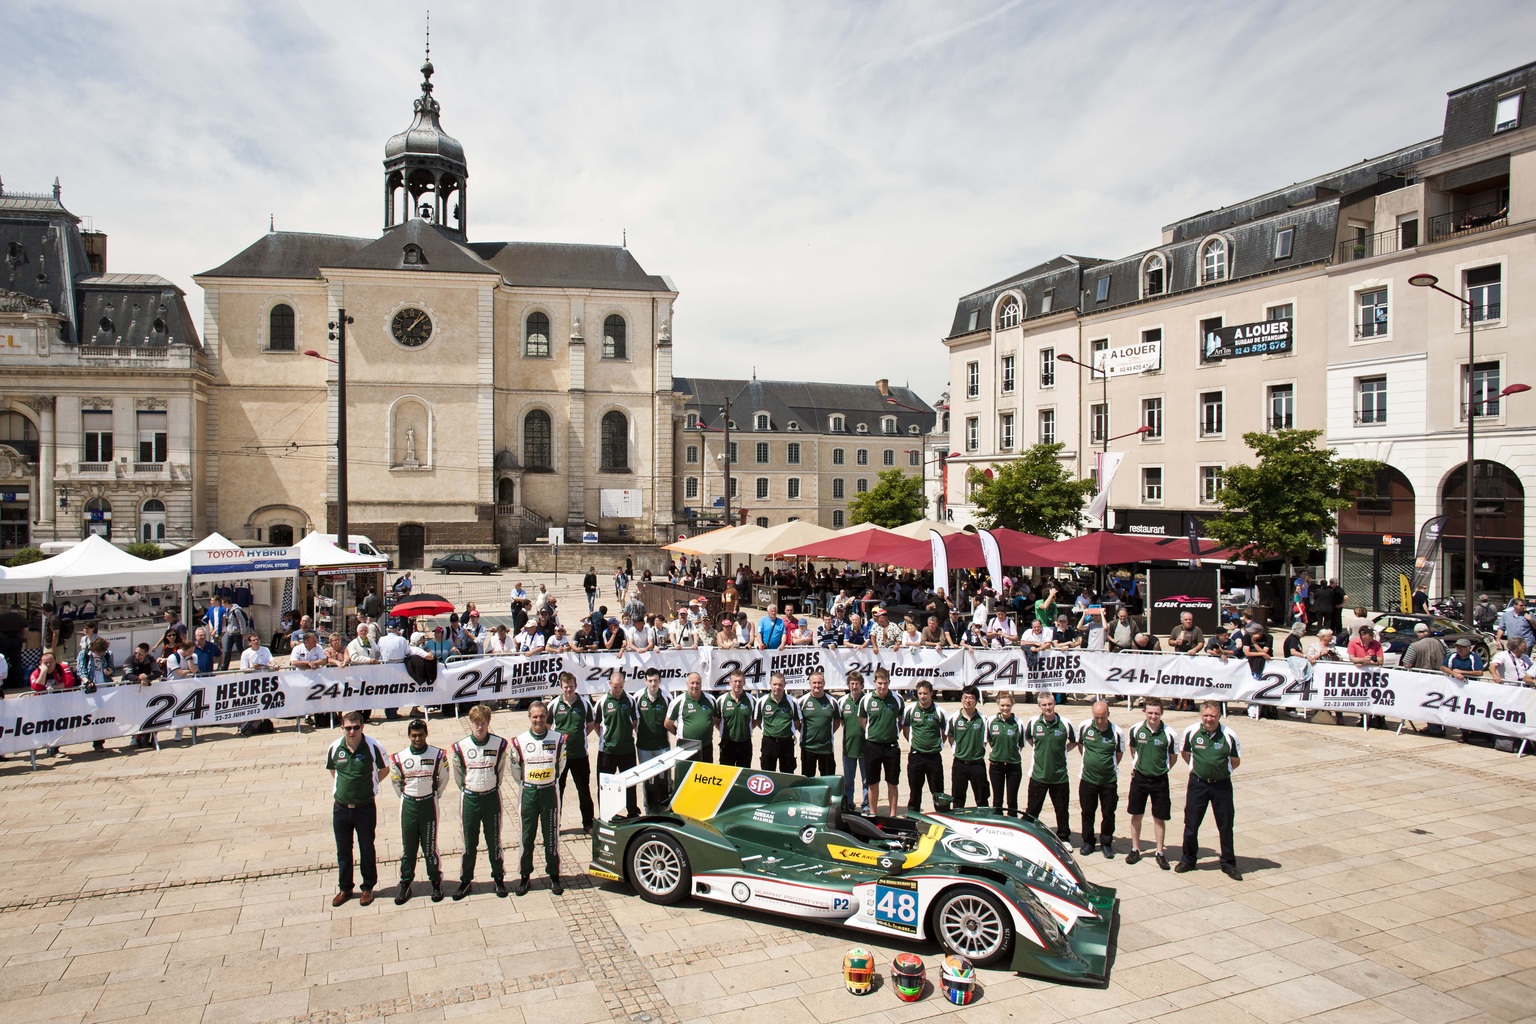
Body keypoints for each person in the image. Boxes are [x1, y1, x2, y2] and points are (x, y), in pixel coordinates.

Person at [325, 711, 389, 906]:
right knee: (343, 850)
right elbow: (333, 770)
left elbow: (384, 768)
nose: (352, 731)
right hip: (341, 809)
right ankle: (345, 888)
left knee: (367, 848)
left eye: (356, 727)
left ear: (363, 727)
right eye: (348, 728)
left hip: (365, 808)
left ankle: (368, 888)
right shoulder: (335, 747)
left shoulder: (373, 746)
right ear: (342, 728)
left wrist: (372, 786)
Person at [1175, 701, 1242, 880]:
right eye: (1206, 715)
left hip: (1221, 785)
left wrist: (1220, 771)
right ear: (1200, 716)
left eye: (1212, 716)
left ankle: (1228, 863)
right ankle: (1188, 859)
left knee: (1226, 825)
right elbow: (1185, 754)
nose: (1209, 719)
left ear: (1219, 716)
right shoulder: (1191, 732)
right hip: (1198, 784)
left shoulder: (1229, 735)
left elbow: (1235, 760)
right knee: (1191, 824)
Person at [452, 704, 509, 899]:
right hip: (470, 798)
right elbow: (459, 775)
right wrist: (469, 788)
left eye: (483, 723)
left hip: (491, 797)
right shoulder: (461, 747)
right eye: (476, 724)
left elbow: (500, 770)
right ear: (471, 724)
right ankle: (466, 879)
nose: (479, 728)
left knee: (494, 840)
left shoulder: (499, 744)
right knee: (469, 841)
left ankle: (498, 878)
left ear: (488, 723)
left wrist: (491, 786)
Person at [510, 699, 567, 895]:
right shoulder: (520, 741)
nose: (539, 720)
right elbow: (515, 767)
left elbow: (561, 763)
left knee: (551, 836)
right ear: (529, 718)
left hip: (549, 791)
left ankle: (554, 876)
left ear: (547, 717)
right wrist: (526, 783)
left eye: (542, 716)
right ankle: (525, 877)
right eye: (535, 717)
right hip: (529, 793)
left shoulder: (558, 739)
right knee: (527, 836)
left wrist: (549, 778)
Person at [389, 717, 448, 904]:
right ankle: (405, 883)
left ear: (426, 734)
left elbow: (443, 779)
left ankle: (436, 883)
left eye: (421, 735)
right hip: (409, 805)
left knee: (430, 848)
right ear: (408, 736)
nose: (417, 739)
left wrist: (433, 795)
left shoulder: (438, 755)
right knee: (409, 848)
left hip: (428, 805)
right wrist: (408, 797)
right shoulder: (399, 758)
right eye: (414, 736)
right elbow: (396, 782)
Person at [1126, 697, 1178, 869]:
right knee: (1136, 814)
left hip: (1159, 780)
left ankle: (1160, 852)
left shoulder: (1169, 733)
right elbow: (1133, 750)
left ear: (1161, 713)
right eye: (1150, 713)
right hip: (1140, 778)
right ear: (1144, 712)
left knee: (1159, 817)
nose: (1153, 716)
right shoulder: (1135, 730)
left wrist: (1162, 769)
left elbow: (1173, 757)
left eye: (1156, 713)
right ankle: (1135, 848)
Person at [1024, 694, 1076, 843]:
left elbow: (1074, 741)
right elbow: (1029, 738)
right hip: (1038, 775)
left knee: (1061, 810)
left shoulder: (1065, 723)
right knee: (1032, 809)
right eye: (1044, 705)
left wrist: (1062, 750)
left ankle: (1064, 838)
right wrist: (1040, 749)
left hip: (1059, 776)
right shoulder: (1034, 723)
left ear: (1054, 704)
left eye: (1050, 704)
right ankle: (1029, 835)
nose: (1048, 707)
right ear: (1039, 706)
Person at [1076, 701, 1125, 859]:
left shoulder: (1116, 732)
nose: (1099, 721)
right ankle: (1088, 841)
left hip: (1108, 781)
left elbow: (1119, 754)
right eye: (1096, 717)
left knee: (1108, 813)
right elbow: (1080, 746)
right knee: (1087, 812)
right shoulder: (1085, 727)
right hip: (1088, 779)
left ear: (1108, 714)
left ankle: (1106, 842)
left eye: (1102, 717)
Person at [549, 672, 597, 833]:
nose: (568, 689)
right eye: (565, 687)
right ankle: (555, 824)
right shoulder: (554, 705)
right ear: (561, 687)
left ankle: (588, 823)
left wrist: (578, 737)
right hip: (560, 757)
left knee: (584, 790)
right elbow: (548, 728)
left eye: (571, 686)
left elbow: (589, 725)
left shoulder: (584, 704)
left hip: (580, 756)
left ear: (576, 686)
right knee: (557, 791)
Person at [858, 668, 905, 816]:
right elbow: (862, 721)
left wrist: (892, 732)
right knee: (872, 782)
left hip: (891, 747)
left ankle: (893, 814)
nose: (882, 687)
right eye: (879, 683)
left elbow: (901, 720)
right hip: (872, 746)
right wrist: (873, 733)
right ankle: (873, 813)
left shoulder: (897, 699)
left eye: (885, 683)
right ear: (874, 682)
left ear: (889, 682)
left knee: (892, 782)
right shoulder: (866, 700)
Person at [596, 670, 641, 819]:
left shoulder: (630, 700)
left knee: (630, 783)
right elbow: (596, 724)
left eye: (620, 687)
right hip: (607, 751)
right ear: (609, 684)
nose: (618, 690)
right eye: (615, 687)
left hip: (627, 750)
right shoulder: (602, 702)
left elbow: (634, 721)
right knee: (605, 785)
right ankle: (607, 814)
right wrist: (607, 737)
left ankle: (632, 812)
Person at [902, 680, 948, 812]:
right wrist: (914, 743)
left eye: (925, 693)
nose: (923, 696)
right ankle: (913, 817)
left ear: (931, 693)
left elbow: (945, 732)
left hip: (934, 757)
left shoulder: (940, 711)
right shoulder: (910, 709)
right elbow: (906, 729)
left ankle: (942, 818)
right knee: (915, 791)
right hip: (916, 756)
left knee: (938, 791)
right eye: (920, 693)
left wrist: (936, 744)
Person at [635, 668, 672, 813]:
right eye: (650, 681)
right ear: (645, 681)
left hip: (662, 745)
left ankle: (664, 808)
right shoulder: (638, 697)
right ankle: (649, 809)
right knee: (648, 780)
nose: (653, 684)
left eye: (655, 680)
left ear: (660, 681)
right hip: (644, 746)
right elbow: (634, 721)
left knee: (663, 780)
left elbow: (671, 720)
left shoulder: (667, 697)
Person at [948, 685, 989, 809]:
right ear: (961, 699)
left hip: (977, 764)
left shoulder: (983, 719)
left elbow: (986, 740)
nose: (968, 701)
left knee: (982, 799)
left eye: (971, 698)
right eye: (965, 698)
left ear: (976, 701)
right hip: (960, 764)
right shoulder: (954, 718)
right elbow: (951, 738)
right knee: (957, 799)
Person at [986, 692, 1026, 813]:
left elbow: (1021, 744)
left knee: (1012, 800)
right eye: (1002, 705)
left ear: (1012, 705)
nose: (1005, 708)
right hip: (996, 766)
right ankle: (997, 823)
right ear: (998, 705)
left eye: (1008, 705)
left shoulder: (1018, 723)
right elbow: (990, 740)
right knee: (997, 800)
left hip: (1013, 766)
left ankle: (1013, 824)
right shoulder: (991, 721)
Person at [665, 672, 718, 762]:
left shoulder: (711, 699)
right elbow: (668, 723)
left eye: (698, 683)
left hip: (706, 746)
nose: (695, 686)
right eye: (692, 683)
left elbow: (714, 719)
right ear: (687, 684)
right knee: (686, 774)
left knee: (705, 774)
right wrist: (679, 734)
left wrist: (705, 728)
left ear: (701, 684)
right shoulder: (678, 701)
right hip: (685, 748)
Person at [838, 670, 871, 813]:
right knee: (848, 781)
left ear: (862, 685)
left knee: (866, 780)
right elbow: (839, 722)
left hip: (866, 748)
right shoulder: (842, 701)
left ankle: (866, 806)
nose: (854, 686)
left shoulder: (868, 700)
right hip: (848, 747)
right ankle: (849, 804)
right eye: (852, 684)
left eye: (857, 684)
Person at [798, 670, 839, 778]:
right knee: (807, 780)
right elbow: (798, 723)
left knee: (827, 780)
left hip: (826, 749)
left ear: (824, 684)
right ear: (810, 684)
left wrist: (826, 732)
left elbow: (837, 722)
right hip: (808, 748)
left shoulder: (832, 701)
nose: (817, 685)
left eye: (819, 683)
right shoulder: (802, 701)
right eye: (814, 683)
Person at [757, 671, 799, 773]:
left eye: (780, 684)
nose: (777, 687)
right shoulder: (762, 701)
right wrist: (771, 731)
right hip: (769, 742)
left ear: (785, 685)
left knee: (787, 774)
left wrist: (785, 732)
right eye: (775, 684)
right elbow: (758, 721)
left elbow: (797, 722)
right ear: (770, 684)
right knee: (767, 773)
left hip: (787, 742)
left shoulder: (793, 701)